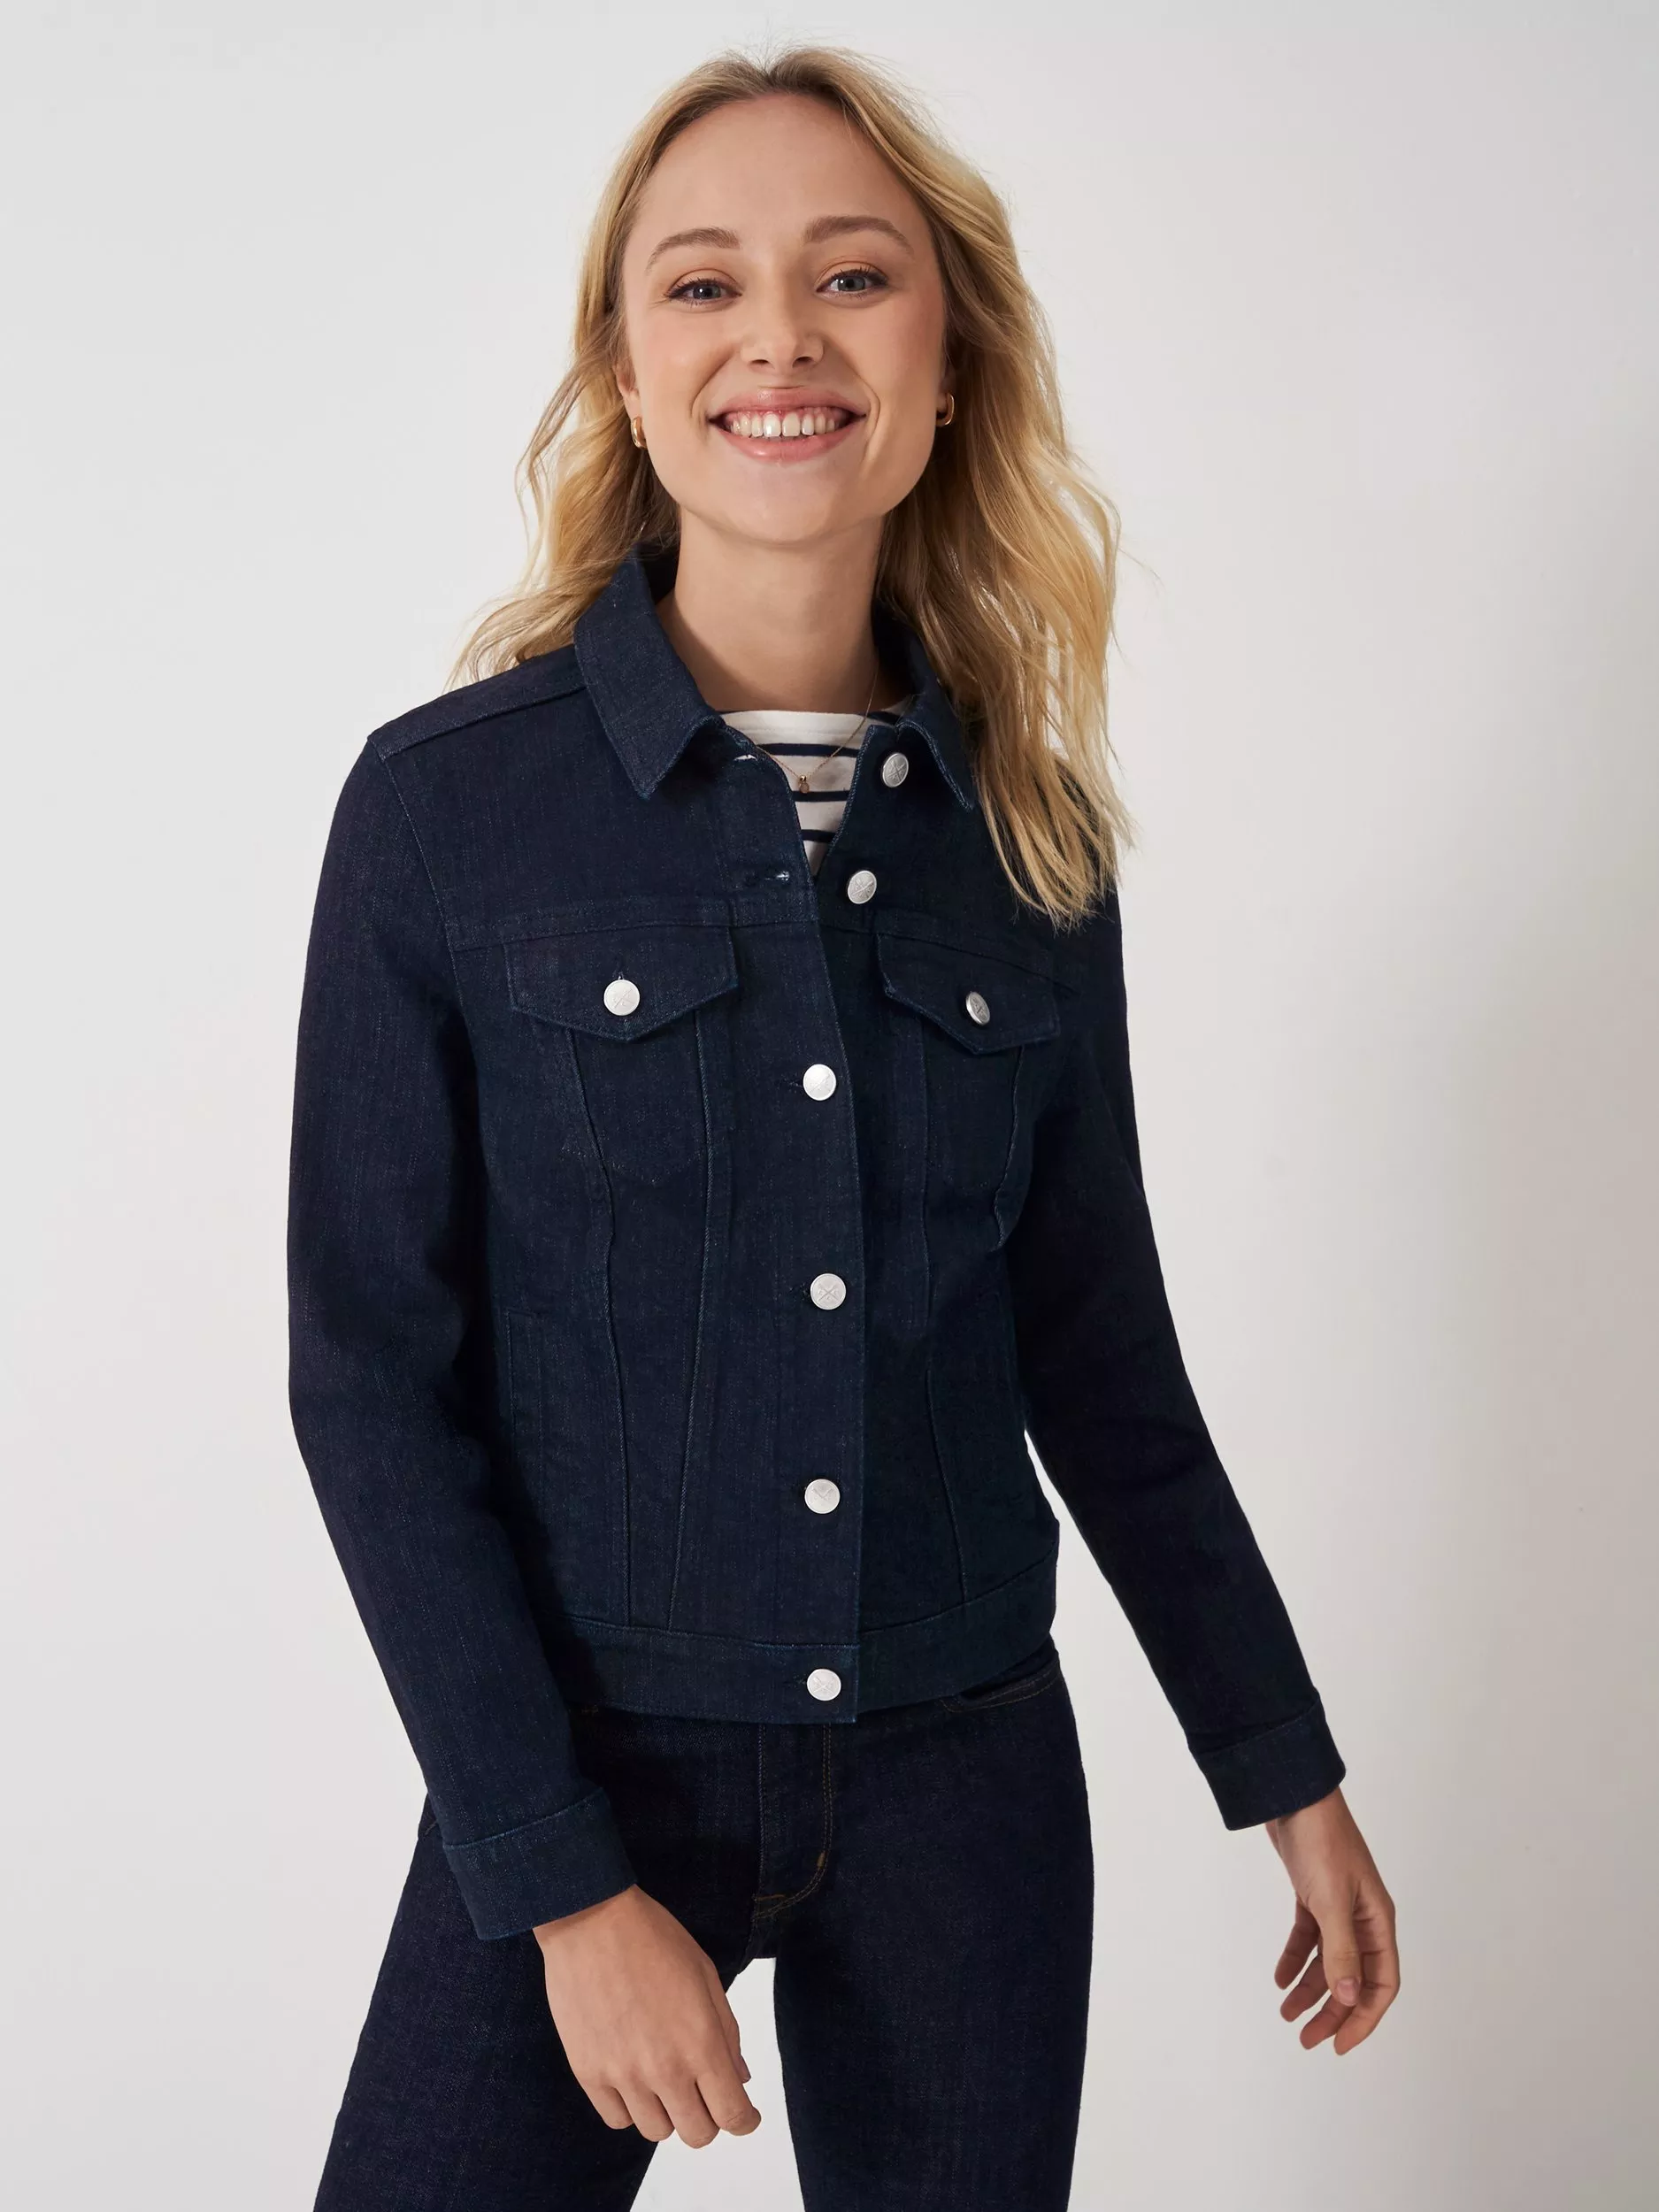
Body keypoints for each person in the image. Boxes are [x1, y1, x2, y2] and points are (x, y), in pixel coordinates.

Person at [287, 42, 1399, 2211]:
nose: (780, 337)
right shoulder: (443, 815)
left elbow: (1097, 1348)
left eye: (854, 276)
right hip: (583, 1763)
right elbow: (370, 1386)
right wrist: (561, 1882)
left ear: (947, 366)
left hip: (964, 1786)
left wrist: (1286, 1768)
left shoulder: (1027, 837)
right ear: (624, 373)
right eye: (704, 284)